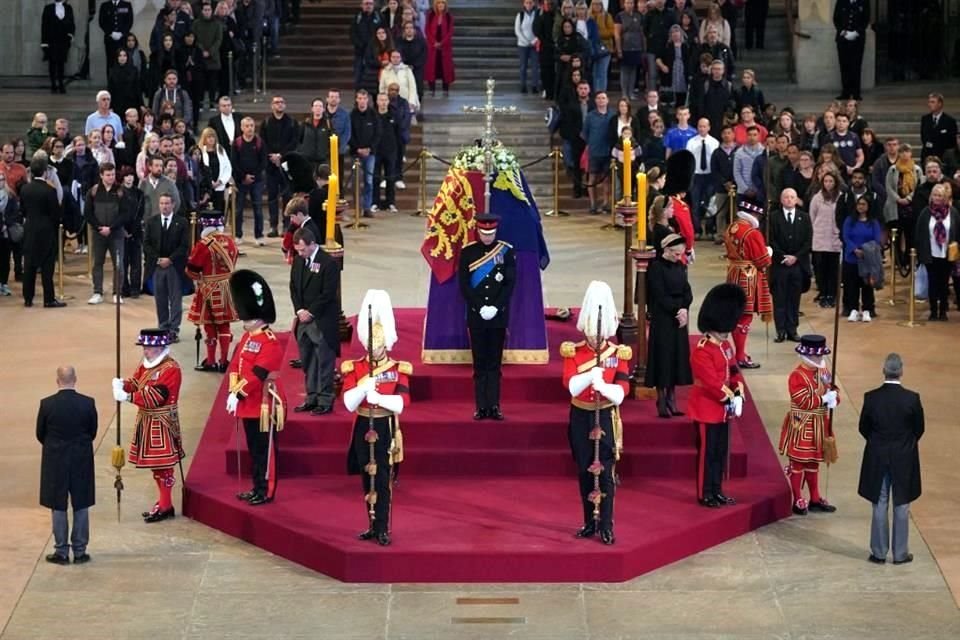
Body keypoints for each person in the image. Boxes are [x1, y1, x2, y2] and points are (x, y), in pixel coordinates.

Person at [561, 280, 629, 545]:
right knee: (584, 471)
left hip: (607, 417)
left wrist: (604, 386)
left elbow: (622, 392)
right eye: (591, 333)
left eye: (598, 333)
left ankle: (607, 524)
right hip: (581, 416)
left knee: (607, 475)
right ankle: (589, 520)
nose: (595, 338)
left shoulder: (617, 353)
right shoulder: (573, 352)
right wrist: (590, 376)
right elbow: (570, 386)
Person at [341, 290, 410, 547]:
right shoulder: (356, 367)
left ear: (385, 345)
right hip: (362, 424)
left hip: (384, 424)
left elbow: (401, 404)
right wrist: (361, 388)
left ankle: (382, 526)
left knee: (382, 478)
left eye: (378, 346)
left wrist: (378, 397)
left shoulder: (396, 369)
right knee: (365, 476)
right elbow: (348, 403)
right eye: (370, 346)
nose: (373, 350)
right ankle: (370, 523)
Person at [225, 269, 286, 505]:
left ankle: (266, 489)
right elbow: (237, 367)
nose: (245, 322)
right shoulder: (248, 338)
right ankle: (256, 486)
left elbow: (257, 375)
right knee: (253, 450)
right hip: (247, 403)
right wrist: (233, 392)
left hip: (262, 403)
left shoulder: (270, 343)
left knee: (265, 452)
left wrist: (238, 393)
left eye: (248, 319)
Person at [858, 353, 924, 565]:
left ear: (883, 370)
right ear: (901, 371)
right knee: (902, 504)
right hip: (903, 457)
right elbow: (918, 429)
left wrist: (877, 442)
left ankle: (878, 553)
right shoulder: (912, 399)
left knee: (879, 501)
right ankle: (900, 553)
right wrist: (905, 444)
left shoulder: (871, 397)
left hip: (878, 455)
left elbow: (863, 427)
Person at [112, 329, 183, 522]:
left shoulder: (171, 369)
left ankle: (166, 505)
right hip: (147, 420)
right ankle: (163, 502)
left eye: (149, 347)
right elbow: (137, 383)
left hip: (162, 422)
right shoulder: (146, 365)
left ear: (161, 347)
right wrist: (123, 385)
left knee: (164, 466)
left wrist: (127, 396)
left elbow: (156, 396)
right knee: (156, 468)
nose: (146, 351)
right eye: (144, 347)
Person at [688, 283, 746, 508]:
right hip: (707, 410)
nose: (726, 334)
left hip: (723, 411)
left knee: (720, 453)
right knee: (707, 455)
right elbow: (712, 383)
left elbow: (733, 371)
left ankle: (717, 490)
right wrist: (731, 398)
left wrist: (739, 391)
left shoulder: (724, 346)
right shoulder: (702, 350)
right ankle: (705, 493)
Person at [457, 213, 517, 420]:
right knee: (480, 363)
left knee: (494, 364)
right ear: (478, 231)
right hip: (476, 315)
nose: (488, 237)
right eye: (484, 233)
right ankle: (481, 406)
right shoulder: (468, 252)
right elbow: (464, 284)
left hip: (498, 316)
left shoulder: (506, 251)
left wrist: (496, 307)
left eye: (491, 233)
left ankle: (495, 406)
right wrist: (479, 306)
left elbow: (509, 284)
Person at [37, 365, 97, 565]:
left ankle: (61, 551)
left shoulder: (47, 405)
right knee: (81, 504)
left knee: (58, 505)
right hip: (81, 459)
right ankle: (80, 551)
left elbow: (40, 433)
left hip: (55, 460)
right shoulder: (87, 403)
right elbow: (92, 431)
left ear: (57, 380)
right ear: (75, 379)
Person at [779, 334, 840, 516]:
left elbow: (832, 388)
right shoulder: (796, 376)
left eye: (821, 356)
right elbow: (803, 400)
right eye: (817, 356)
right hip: (802, 424)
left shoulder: (823, 372)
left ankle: (814, 497)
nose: (820, 359)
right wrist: (823, 399)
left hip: (819, 423)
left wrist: (834, 398)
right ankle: (797, 498)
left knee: (814, 462)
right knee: (798, 463)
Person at [290, 227, 341, 415]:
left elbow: (328, 294)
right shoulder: (298, 261)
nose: (300, 253)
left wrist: (310, 312)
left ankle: (325, 399)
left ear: (312, 244)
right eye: (297, 250)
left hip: (321, 321)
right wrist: (300, 310)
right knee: (308, 360)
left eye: (303, 249)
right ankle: (311, 397)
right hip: (304, 320)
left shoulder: (329, 263)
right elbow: (294, 288)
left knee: (324, 362)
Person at [645, 234, 693, 417]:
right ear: (666, 250)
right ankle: (662, 399)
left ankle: (673, 398)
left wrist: (684, 309)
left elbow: (687, 291)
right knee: (663, 357)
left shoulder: (680, 266)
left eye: (681, 253)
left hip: (678, 318)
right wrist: (676, 310)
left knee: (676, 357)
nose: (678, 256)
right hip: (663, 318)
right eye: (675, 253)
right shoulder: (656, 268)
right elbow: (659, 294)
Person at [186, 212, 239, 372]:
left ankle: (210, 361)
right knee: (224, 325)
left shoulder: (203, 244)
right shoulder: (231, 242)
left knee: (209, 326)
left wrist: (199, 278)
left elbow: (191, 269)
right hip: (228, 287)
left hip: (209, 288)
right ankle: (224, 361)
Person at [724, 199, 772, 369]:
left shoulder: (731, 227)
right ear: (754, 214)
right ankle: (740, 355)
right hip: (748, 276)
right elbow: (762, 261)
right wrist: (769, 253)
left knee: (736, 314)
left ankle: (739, 353)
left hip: (733, 273)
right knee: (745, 316)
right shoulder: (752, 233)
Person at [143, 194, 190, 341]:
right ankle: (163, 328)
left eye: (167, 203)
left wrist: (170, 259)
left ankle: (173, 330)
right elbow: (146, 244)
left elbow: (184, 246)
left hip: (174, 266)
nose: (164, 206)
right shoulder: (152, 222)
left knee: (175, 300)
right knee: (160, 299)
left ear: (173, 204)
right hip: (157, 267)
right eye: (162, 203)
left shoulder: (181, 222)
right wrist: (158, 259)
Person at [20, 156, 65, 308]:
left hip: (30, 228)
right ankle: (49, 299)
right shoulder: (50, 190)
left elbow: (23, 211)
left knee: (29, 265)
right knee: (47, 266)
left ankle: (28, 298)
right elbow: (55, 214)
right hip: (46, 230)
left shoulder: (25, 189)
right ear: (45, 172)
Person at [85, 163, 131, 305]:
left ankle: (117, 293)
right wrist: (99, 228)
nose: (111, 177)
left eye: (112, 174)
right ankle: (97, 292)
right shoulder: (93, 191)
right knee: (97, 263)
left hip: (116, 233)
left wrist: (111, 227)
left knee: (118, 264)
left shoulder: (121, 192)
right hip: (98, 234)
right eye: (108, 175)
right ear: (101, 175)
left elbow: (125, 214)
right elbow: (88, 213)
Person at [770, 188, 812, 343]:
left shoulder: (804, 217)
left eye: (792, 197)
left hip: (797, 265)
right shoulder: (773, 218)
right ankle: (780, 330)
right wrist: (783, 256)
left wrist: (796, 257)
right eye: (786, 197)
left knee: (794, 299)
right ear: (781, 200)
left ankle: (792, 329)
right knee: (779, 298)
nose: (789, 199)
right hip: (780, 264)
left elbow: (808, 241)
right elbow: (771, 240)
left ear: (796, 200)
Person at [915, 183, 960, 321]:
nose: (937, 198)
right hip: (931, 253)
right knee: (932, 282)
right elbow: (919, 233)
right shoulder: (925, 213)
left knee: (944, 283)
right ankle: (933, 310)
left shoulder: (953, 212)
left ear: (945, 197)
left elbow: (957, 232)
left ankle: (943, 311)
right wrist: (920, 253)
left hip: (947, 254)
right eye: (934, 195)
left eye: (940, 195)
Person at [261, 95, 299, 238]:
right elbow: (263, 142)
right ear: (272, 105)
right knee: (272, 197)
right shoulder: (266, 123)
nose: (279, 105)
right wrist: (272, 156)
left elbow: (294, 142)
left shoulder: (292, 122)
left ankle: (287, 225)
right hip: (270, 166)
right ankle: (273, 226)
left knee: (287, 197)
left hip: (286, 165)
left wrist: (281, 155)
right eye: (277, 102)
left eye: (282, 102)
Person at [841, 194, 883, 321]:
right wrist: (854, 249)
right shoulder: (849, 220)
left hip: (867, 258)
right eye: (859, 204)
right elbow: (846, 237)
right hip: (852, 258)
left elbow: (876, 239)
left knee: (867, 285)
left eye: (864, 204)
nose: (861, 206)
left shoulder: (873, 222)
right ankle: (853, 309)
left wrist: (865, 250)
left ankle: (867, 310)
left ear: (869, 206)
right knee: (851, 285)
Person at [809, 170, 843, 309]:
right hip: (820, 237)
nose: (828, 184)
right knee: (820, 269)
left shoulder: (840, 197)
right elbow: (812, 216)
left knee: (833, 269)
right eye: (826, 181)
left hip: (834, 237)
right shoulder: (817, 198)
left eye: (831, 181)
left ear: (835, 183)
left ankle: (832, 295)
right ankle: (823, 293)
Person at [233, 116, 267, 244]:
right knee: (239, 209)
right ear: (242, 128)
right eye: (246, 126)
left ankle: (259, 235)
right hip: (241, 181)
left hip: (256, 181)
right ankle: (238, 235)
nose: (249, 128)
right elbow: (234, 162)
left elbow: (263, 162)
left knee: (258, 208)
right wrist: (243, 177)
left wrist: (253, 176)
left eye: (251, 125)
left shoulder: (259, 142)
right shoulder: (237, 143)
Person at [349, 90, 380, 217]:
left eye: (364, 98)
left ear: (367, 100)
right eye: (360, 98)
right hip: (355, 153)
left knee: (368, 181)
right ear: (357, 100)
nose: (362, 101)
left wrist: (369, 148)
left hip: (370, 153)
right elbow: (349, 134)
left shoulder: (373, 115)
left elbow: (378, 133)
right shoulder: (352, 115)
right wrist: (357, 149)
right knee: (356, 181)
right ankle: (357, 207)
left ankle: (367, 207)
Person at [833, 0, 869, 101]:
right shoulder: (841, 2)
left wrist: (856, 32)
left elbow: (866, 20)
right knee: (844, 65)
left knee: (856, 65)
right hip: (843, 39)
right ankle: (846, 92)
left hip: (857, 40)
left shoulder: (864, 2)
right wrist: (844, 32)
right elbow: (836, 19)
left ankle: (856, 93)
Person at [41, 1, 76, 94]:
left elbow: (72, 22)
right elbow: (44, 25)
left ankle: (61, 84)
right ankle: (53, 84)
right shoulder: (48, 8)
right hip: (51, 40)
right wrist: (44, 42)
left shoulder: (68, 8)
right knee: (52, 63)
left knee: (61, 63)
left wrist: (70, 35)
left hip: (63, 40)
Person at [424, 0, 455, 97]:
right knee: (431, 68)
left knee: (445, 68)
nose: (440, 5)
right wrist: (434, 42)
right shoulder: (431, 15)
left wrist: (441, 43)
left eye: (442, 3)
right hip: (432, 47)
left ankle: (445, 90)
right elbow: (427, 29)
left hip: (445, 47)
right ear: (435, 5)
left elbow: (450, 32)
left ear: (445, 5)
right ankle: (431, 90)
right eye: (438, 3)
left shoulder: (449, 16)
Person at [920, 93, 958, 163]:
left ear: (940, 104)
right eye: (929, 102)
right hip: (927, 156)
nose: (929, 104)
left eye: (933, 102)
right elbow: (923, 137)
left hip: (943, 157)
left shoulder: (950, 121)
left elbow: (952, 142)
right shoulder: (925, 119)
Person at [99, 0, 134, 71]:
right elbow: (102, 22)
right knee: (110, 62)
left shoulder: (126, 5)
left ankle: (122, 81)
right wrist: (110, 33)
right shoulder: (105, 6)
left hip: (123, 39)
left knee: (123, 61)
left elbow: (129, 21)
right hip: (110, 40)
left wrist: (122, 33)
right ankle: (111, 81)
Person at [516, 0, 541, 95]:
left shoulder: (537, 14)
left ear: (533, 3)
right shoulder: (520, 15)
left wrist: (534, 40)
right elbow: (517, 30)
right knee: (523, 66)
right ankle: (523, 85)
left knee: (535, 66)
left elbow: (539, 28)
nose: (529, 4)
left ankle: (534, 86)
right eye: (527, 2)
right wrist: (527, 41)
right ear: (524, 4)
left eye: (530, 2)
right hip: (523, 45)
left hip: (534, 44)